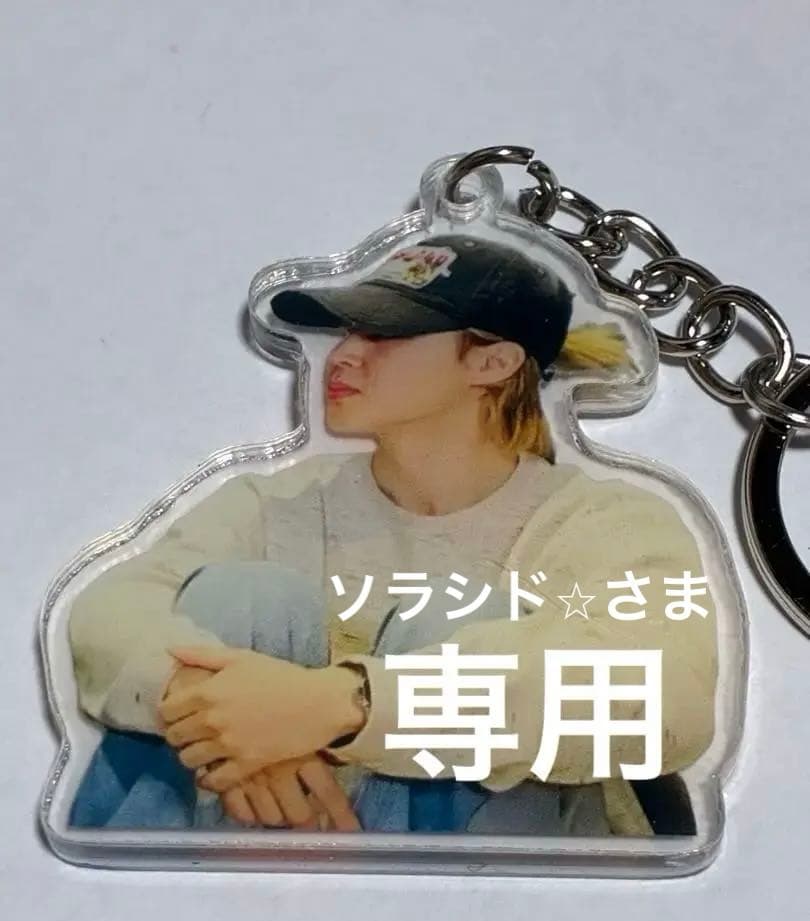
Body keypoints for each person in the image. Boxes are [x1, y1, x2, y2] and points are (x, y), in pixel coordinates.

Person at [67, 235, 719, 836]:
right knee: (239, 601)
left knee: (455, 619)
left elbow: (670, 697)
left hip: (493, 892)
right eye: (348, 330)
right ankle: (150, 896)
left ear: (493, 362)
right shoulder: (282, 504)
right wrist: (216, 714)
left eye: (386, 332)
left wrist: (348, 706)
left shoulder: (603, 521)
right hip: (270, 853)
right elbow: (110, 610)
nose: (344, 354)